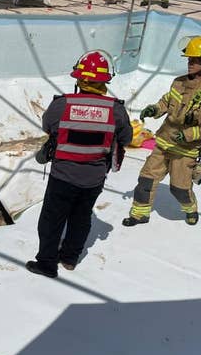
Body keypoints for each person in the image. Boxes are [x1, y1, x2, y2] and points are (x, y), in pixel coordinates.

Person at [26, 51, 133, 279]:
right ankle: (69, 258)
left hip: (63, 176)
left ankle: (46, 263)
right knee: (81, 217)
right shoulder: (116, 110)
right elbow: (126, 139)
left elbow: (49, 127)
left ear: (79, 79)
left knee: (51, 220)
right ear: (105, 81)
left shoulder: (61, 105)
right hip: (94, 178)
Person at [124, 36, 201, 228]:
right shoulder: (178, 82)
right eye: (188, 60)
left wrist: (188, 135)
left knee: (179, 189)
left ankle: (190, 208)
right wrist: (155, 109)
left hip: (186, 149)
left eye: (194, 60)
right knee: (146, 179)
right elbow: (167, 101)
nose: (189, 63)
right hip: (164, 141)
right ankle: (139, 214)